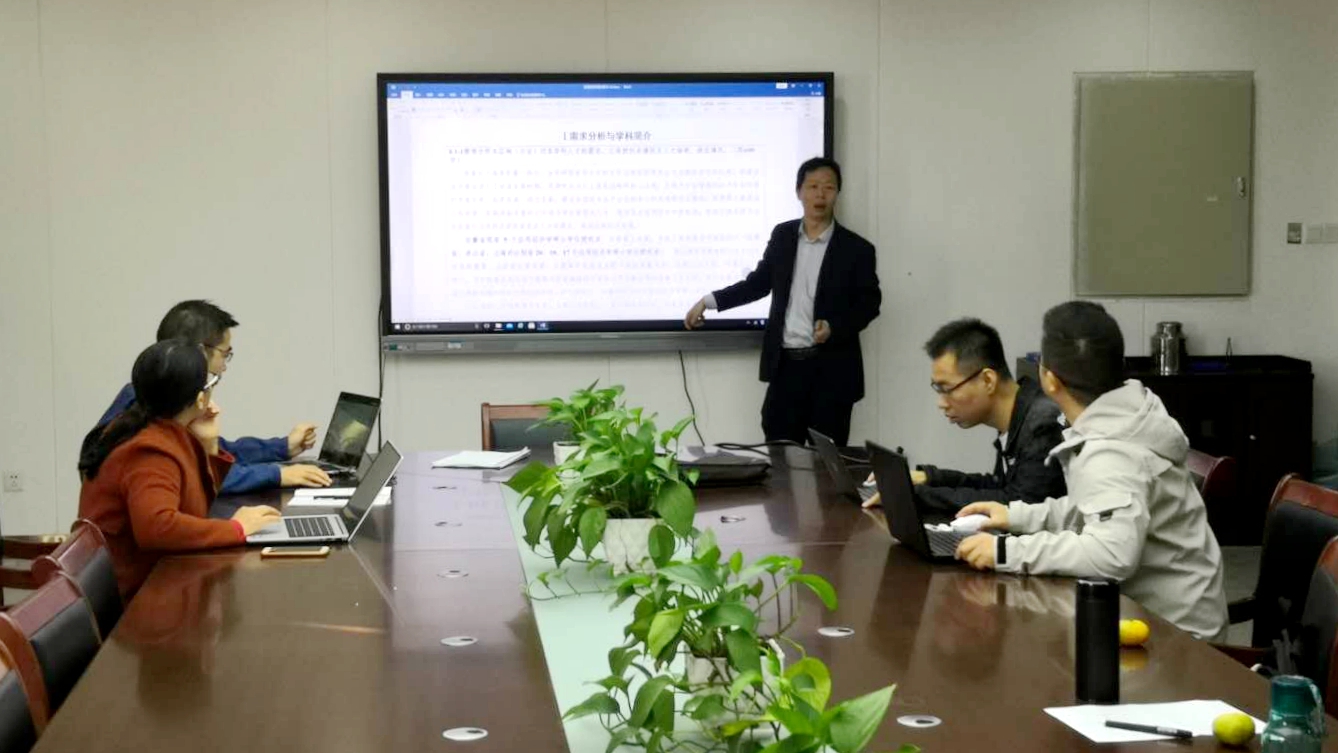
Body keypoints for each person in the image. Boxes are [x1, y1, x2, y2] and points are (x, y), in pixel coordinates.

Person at [953, 301, 1228, 641]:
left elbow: (1111, 555)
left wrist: (1006, 552)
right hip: (1154, 616)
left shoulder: (1111, 452)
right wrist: (1016, 517)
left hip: (1178, 639)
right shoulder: (1127, 415)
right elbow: (1093, 508)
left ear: (1049, 379)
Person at [684, 158, 881, 447]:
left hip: (832, 372)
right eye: (813, 186)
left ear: (838, 193)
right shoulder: (783, 236)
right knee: (779, 454)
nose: (820, 194)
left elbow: (869, 303)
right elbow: (758, 284)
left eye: (829, 187)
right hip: (786, 368)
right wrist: (709, 301)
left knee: (827, 461)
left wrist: (835, 327)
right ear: (799, 191)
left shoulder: (857, 249)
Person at [78, 339, 282, 597]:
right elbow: (158, 527)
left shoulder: (149, 427)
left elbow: (193, 506)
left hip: (150, 582)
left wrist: (209, 445)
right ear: (200, 398)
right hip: (134, 602)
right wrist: (236, 529)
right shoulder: (149, 450)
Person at [93, 300, 330, 492]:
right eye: (224, 354)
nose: (224, 367)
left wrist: (283, 446)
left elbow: (218, 453)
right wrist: (278, 474)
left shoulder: (154, 393)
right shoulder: (151, 408)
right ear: (197, 351)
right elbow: (201, 475)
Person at [863, 318, 1066, 511]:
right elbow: (999, 485)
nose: (941, 403)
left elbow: (1019, 504)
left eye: (947, 389)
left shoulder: (1042, 424)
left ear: (988, 381)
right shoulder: (1019, 413)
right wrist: (930, 478)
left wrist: (916, 496)